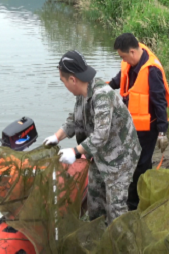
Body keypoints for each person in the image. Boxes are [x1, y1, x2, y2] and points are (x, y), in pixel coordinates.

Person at [42, 50, 141, 225]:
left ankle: (123, 246)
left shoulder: (101, 94)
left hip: (121, 156)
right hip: (100, 154)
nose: (63, 85)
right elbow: (75, 119)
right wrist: (56, 137)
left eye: (63, 81)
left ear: (72, 80)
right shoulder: (82, 94)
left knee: (116, 208)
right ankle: (99, 237)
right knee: (95, 201)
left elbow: (101, 135)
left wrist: (75, 152)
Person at [109, 33, 169, 211]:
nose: (123, 60)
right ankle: (133, 197)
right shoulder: (130, 61)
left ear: (132, 51)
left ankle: (136, 204)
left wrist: (162, 132)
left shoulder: (151, 70)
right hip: (131, 123)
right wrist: (103, 87)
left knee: (142, 163)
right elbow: (118, 80)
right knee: (131, 160)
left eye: (123, 56)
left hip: (148, 126)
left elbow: (160, 102)